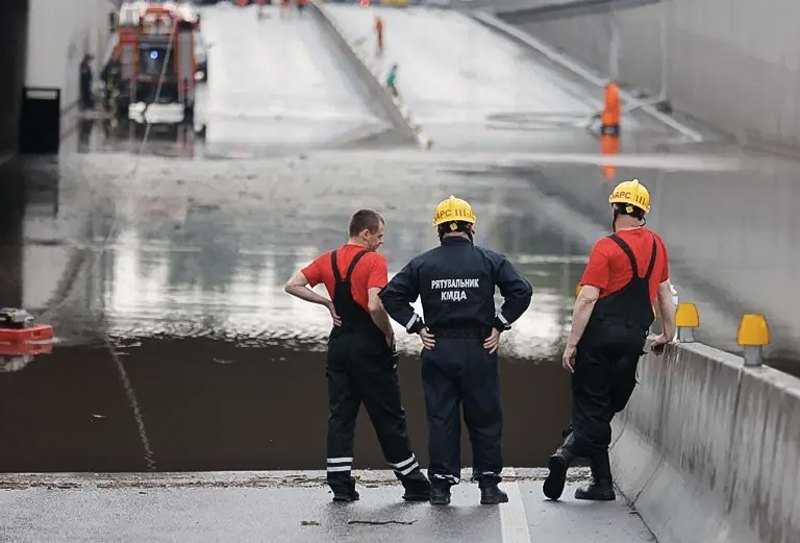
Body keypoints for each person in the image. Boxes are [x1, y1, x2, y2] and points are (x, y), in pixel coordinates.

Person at [380, 196, 532, 506]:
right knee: (485, 418)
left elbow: (391, 295)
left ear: (440, 230)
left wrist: (416, 326)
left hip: (439, 348)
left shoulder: (423, 263)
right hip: (480, 348)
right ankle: (489, 486)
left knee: (441, 418)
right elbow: (522, 291)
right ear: (471, 226)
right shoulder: (489, 260)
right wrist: (499, 324)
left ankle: (440, 487)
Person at [543, 179, 675, 502]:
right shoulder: (658, 246)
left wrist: (572, 342)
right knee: (602, 410)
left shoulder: (606, 247)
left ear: (615, 209)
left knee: (592, 409)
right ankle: (602, 484)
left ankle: (566, 453)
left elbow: (587, 298)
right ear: (642, 212)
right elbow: (664, 294)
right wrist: (668, 334)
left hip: (598, 343)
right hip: (633, 343)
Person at [284, 209, 430, 503]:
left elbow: (292, 285)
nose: (380, 242)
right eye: (379, 236)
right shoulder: (374, 261)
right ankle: (413, 482)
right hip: (370, 348)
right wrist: (388, 333)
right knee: (388, 415)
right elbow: (375, 305)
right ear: (365, 233)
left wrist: (327, 302)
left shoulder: (327, 259)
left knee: (341, 415)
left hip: (339, 346)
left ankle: (340, 483)